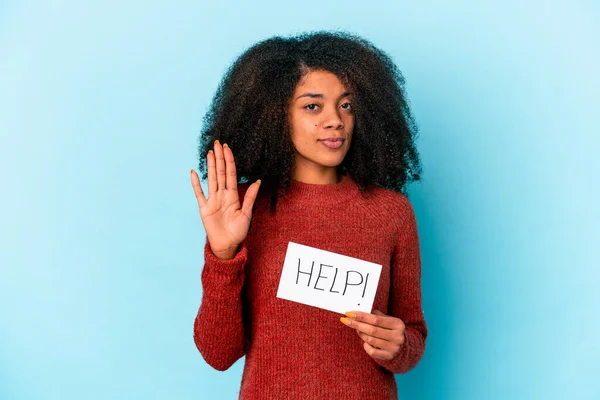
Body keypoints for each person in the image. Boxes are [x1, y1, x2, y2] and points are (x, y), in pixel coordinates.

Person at [190, 31, 427, 399]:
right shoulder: (243, 210)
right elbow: (218, 354)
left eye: (346, 105)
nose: (335, 120)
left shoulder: (391, 213)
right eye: (313, 106)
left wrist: (399, 345)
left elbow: (412, 334)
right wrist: (223, 257)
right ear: (275, 115)